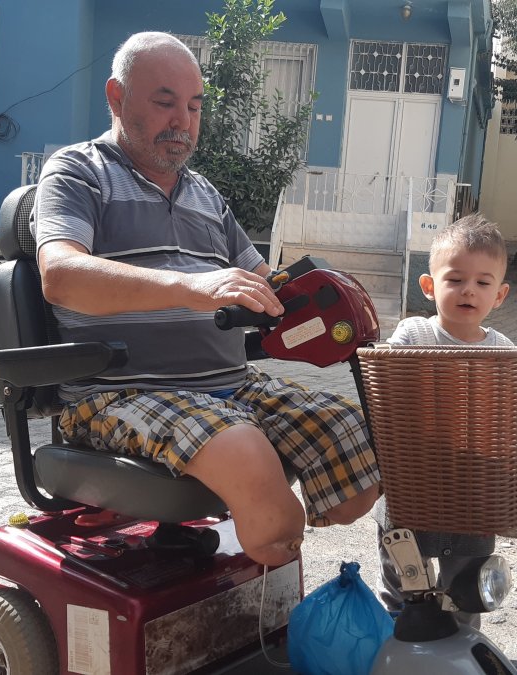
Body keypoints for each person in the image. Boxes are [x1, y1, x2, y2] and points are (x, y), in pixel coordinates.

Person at [29, 32, 380, 567]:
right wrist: (193, 287)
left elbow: (266, 286)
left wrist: (324, 302)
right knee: (250, 463)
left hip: (232, 387)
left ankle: (257, 533)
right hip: (117, 395)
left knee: (355, 439)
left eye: (194, 106)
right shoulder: (78, 173)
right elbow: (61, 275)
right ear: (116, 98)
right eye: (164, 102)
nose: (183, 121)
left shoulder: (205, 196)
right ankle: (267, 579)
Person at [376, 215, 517, 616]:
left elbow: (514, 426)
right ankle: (397, 645)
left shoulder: (504, 350)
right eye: (455, 279)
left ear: (500, 295)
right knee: (403, 590)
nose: (468, 290)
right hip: (412, 488)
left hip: (473, 494)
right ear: (429, 286)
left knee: (468, 591)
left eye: (483, 283)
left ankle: (459, 645)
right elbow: (387, 395)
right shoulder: (413, 335)